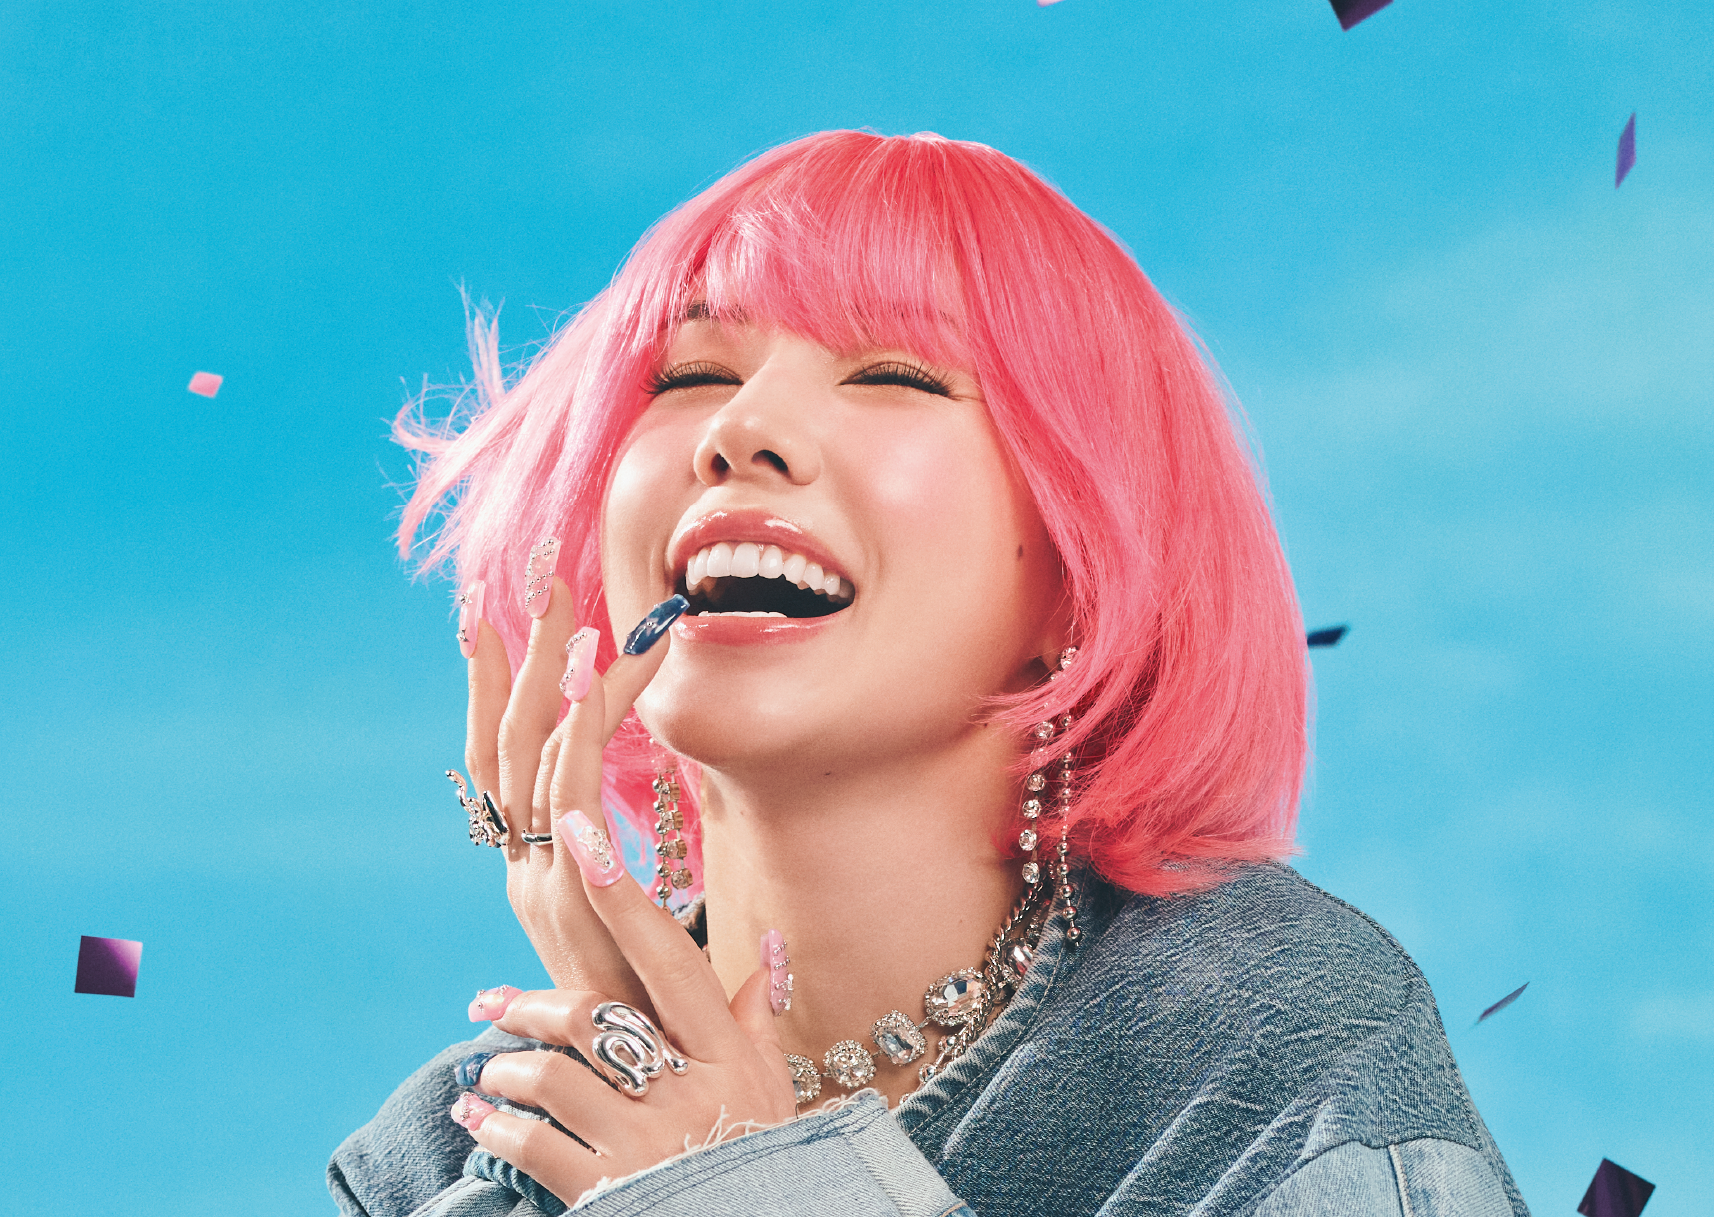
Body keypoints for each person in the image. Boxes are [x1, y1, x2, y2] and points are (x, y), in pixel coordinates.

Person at [329, 130, 1529, 1217]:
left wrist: (734, 1190)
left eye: (893, 376)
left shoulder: (1271, 1056)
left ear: (1079, 568)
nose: (739, 429)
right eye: (689, 374)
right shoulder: (451, 1152)